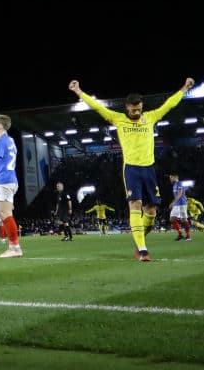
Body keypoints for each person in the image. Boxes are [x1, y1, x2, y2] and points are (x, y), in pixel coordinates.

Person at [69, 77, 194, 261]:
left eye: (139, 108)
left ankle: (139, 242)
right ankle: (143, 250)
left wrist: (184, 88)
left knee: (151, 213)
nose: (136, 111)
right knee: (135, 206)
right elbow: (97, 107)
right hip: (132, 169)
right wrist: (79, 92)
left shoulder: (150, 117)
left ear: (142, 107)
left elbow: (169, 105)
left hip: (149, 169)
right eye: (133, 109)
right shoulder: (118, 119)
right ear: (127, 107)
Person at [0, 114, 22, 258]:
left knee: (5, 214)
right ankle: (13, 247)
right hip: (11, 180)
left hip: (4, 181)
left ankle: (15, 248)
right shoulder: (11, 141)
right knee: (6, 214)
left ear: (0, 125)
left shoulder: (0, 142)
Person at [168, 173, 192, 242]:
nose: (170, 179)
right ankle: (180, 234)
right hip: (177, 205)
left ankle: (188, 236)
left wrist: (173, 202)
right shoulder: (174, 185)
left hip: (182, 204)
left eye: (171, 177)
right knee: (172, 219)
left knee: (184, 220)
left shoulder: (179, 183)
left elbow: (180, 193)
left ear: (176, 177)